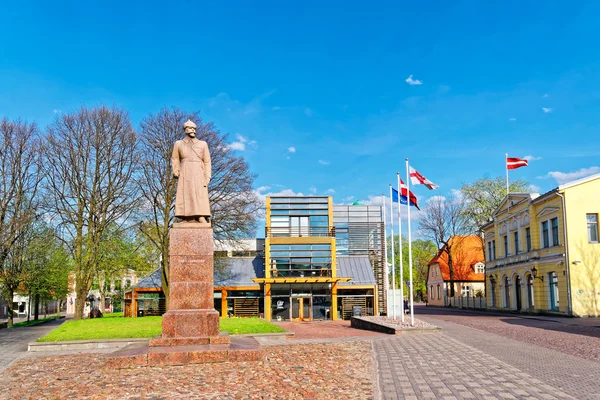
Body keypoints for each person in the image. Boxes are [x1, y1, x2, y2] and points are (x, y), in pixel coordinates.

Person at [171, 119, 212, 223]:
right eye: (190, 128)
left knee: (199, 193)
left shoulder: (203, 144)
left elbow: (207, 161)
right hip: (185, 170)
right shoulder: (178, 143)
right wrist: (176, 170)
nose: (193, 130)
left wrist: (207, 176)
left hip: (199, 170)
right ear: (185, 130)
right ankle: (186, 217)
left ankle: (201, 216)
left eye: (194, 128)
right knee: (186, 193)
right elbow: (175, 158)